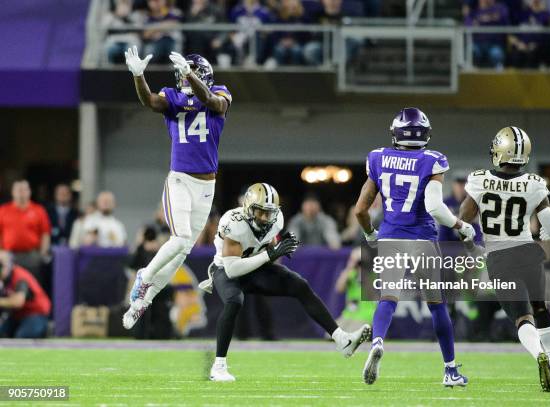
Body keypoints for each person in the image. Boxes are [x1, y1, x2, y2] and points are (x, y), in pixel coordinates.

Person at [198, 183, 371, 381]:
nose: (264, 218)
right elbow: (233, 269)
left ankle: (342, 340)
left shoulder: (275, 220)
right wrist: (270, 254)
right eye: (260, 211)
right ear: (248, 207)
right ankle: (218, 366)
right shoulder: (232, 222)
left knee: (299, 284)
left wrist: (279, 249)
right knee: (234, 301)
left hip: (255, 268)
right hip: (226, 270)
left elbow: (268, 249)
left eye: (268, 213)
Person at [354, 107, 474, 386]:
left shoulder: (378, 158)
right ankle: (450, 370)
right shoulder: (432, 160)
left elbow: (360, 209)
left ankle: (378, 341)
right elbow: (435, 207)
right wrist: (462, 226)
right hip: (422, 238)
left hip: (390, 235)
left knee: (387, 297)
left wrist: (371, 235)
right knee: (436, 306)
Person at [122, 47, 231, 329]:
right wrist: (138, 75)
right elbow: (148, 100)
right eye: (182, 75)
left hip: (207, 186)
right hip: (180, 179)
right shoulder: (172, 97)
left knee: (182, 251)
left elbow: (213, 102)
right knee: (181, 238)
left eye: (189, 75)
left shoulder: (219, 92)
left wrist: (191, 76)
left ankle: (141, 303)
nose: (183, 80)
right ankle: (145, 277)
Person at [459, 126, 550, 392]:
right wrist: (545, 232)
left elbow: (463, 220)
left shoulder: (478, 180)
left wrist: (471, 245)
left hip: (499, 256)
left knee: (522, 318)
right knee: (541, 309)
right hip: (529, 252)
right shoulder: (534, 184)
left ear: (499, 150)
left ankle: (538, 354)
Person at [0, 180, 51, 284]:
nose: (21, 193)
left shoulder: (38, 210)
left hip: (31, 255)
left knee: (33, 285)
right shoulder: (3, 210)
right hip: (8, 256)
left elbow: (45, 233)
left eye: (24, 190)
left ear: (29, 192)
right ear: (12, 192)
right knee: (9, 286)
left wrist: (42, 253)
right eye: (18, 190)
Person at [0, 251, 51, 338]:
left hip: (35, 313)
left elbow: (18, 302)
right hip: (16, 316)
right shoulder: (4, 280)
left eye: (1, 266)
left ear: (10, 265)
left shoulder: (20, 276)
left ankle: (45, 329)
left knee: (22, 336)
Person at [464, 0, 511, 69]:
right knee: (471, 50)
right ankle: (472, 70)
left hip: (495, 44)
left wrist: (491, 18)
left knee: (496, 54)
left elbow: (505, 22)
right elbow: (467, 25)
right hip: (478, 44)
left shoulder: (500, 8)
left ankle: (498, 71)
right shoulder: (474, 11)